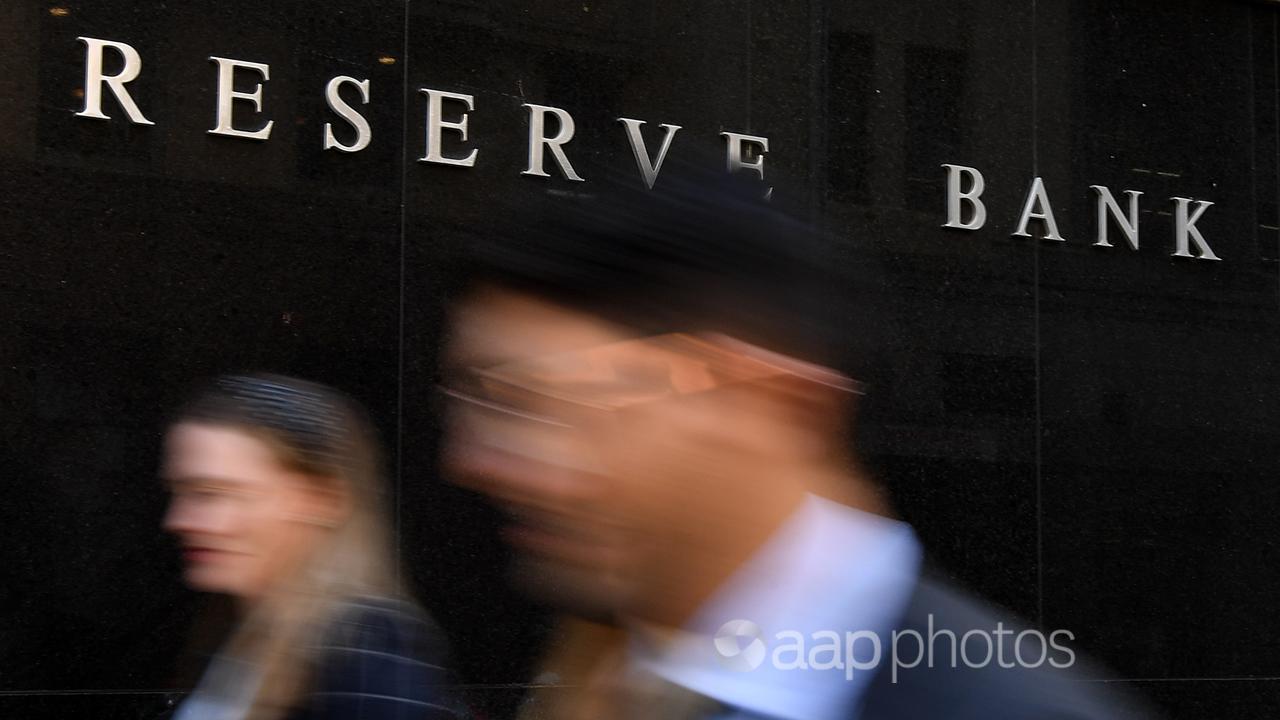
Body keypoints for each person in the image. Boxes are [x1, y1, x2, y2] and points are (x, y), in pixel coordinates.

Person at [437, 163, 1156, 719]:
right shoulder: (609, 671)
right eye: (472, 400)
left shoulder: (1001, 707)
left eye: (527, 401)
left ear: (763, 398)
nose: (474, 461)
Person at [163, 374, 464, 720]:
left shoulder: (365, 646)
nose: (179, 520)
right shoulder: (242, 631)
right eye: (179, 492)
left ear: (321, 498)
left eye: (214, 494)